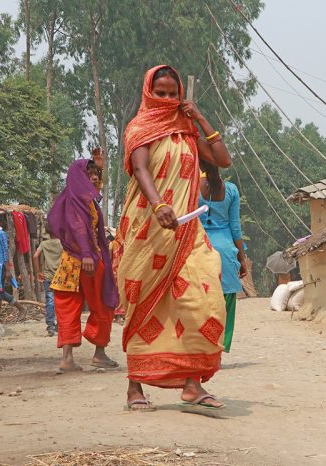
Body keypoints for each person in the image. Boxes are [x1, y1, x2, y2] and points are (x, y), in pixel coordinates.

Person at [111, 65, 232, 411]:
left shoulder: (188, 133)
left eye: (172, 94)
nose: (166, 99)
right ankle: (135, 387)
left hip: (188, 232)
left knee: (202, 301)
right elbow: (141, 168)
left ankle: (192, 384)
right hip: (147, 229)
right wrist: (158, 203)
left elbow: (223, 159)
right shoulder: (140, 128)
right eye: (160, 93)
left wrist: (200, 119)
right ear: (149, 92)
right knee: (143, 305)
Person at [47, 159, 119, 374]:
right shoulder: (78, 201)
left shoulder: (77, 199)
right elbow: (77, 226)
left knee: (68, 305)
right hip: (88, 260)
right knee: (103, 303)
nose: (95, 177)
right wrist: (87, 254)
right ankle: (98, 353)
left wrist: (100, 166)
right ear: (79, 176)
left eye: (96, 173)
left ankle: (68, 359)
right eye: (89, 174)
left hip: (70, 261)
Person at [199, 160, 247, 353]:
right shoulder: (231, 190)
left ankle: (202, 345)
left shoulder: (191, 188)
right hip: (226, 253)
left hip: (200, 249)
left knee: (201, 300)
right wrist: (242, 259)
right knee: (226, 301)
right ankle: (219, 347)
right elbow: (235, 228)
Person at [0, 215, 25, 321]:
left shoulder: (1, 233)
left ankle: (21, 308)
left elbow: (5, 251)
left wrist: (8, 269)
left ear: (0, 223)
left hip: (1, 265)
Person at [33, 232, 63, 336]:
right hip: (60, 276)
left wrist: (38, 272)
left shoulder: (44, 243)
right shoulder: (62, 243)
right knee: (61, 301)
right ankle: (60, 325)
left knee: (50, 300)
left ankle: (50, 327)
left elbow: (35, 256)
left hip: (48, 276)